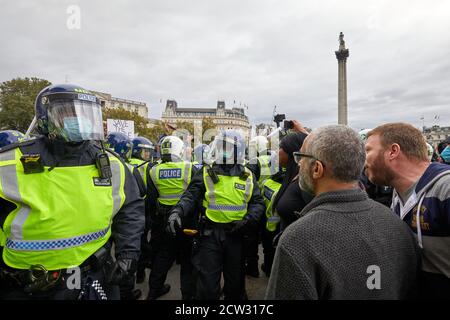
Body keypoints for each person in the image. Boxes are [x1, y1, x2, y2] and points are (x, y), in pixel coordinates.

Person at [0, 84, 144, 300]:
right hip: (27, 283)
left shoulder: (111, 163)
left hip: (93, 275)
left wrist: (128, 254)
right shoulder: (8, 162)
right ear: (45, 116)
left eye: (86, 113)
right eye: (69, 113)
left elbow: (130, 210)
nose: (79, 119)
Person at [266, 125, 421, 300]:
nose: (299, 163)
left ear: (317, 168)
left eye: (301, 157)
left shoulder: (298, 239)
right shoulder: (398, 226)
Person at [167, 130, 265, 300]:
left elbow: (257, 203)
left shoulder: (248, 175)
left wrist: (248, 221)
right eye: (220, 147)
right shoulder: (206, 171)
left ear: (238, 151)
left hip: (236, 235)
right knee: (207, 288)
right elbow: (190, 196)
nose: (222, 151)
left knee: (235, 288)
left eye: (227, 148)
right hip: (210, 236)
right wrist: (178, 211)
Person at [365, 123, 450, 299]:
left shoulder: (446, 189)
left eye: (368, 150)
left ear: (393, 151)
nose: (363, 160)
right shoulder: (399, 193)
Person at [146, 135, 196, 300]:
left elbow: (152, 199)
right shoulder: (189, 168)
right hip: (185, 219)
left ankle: (153, 291)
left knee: (163, 256)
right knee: (187, 259)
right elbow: (195, 196)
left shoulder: (153, 170)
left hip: (163, 219)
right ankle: (187, 297)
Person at [105, 131, 145, 300]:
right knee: (124, 261)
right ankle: (125, 292)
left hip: (103, 222)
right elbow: (141, 192)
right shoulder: (127, 168)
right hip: (124, 220)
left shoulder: (93, 163)